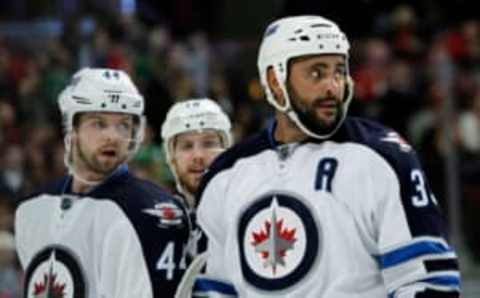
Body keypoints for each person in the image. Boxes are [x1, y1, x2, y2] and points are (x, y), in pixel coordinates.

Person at [185, 16, 461, 297]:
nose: (332, 86)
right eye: (316, 73)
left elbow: (430, 281)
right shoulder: (225, 175)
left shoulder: (384, 158)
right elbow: (213, 289)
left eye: (339, 71)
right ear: (275, 80)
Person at [15, 68, 191, 298]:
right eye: (99, 123)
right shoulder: (33, 207)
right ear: (73, 128)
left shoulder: (152, 211)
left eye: (123, 125)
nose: (113, 136)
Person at [161, 98, 232, 257]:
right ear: (172, 158)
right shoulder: (155, 221)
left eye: (208, 144)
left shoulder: (245, 212)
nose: (198, 156)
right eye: (187, 146)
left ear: (226, 151)